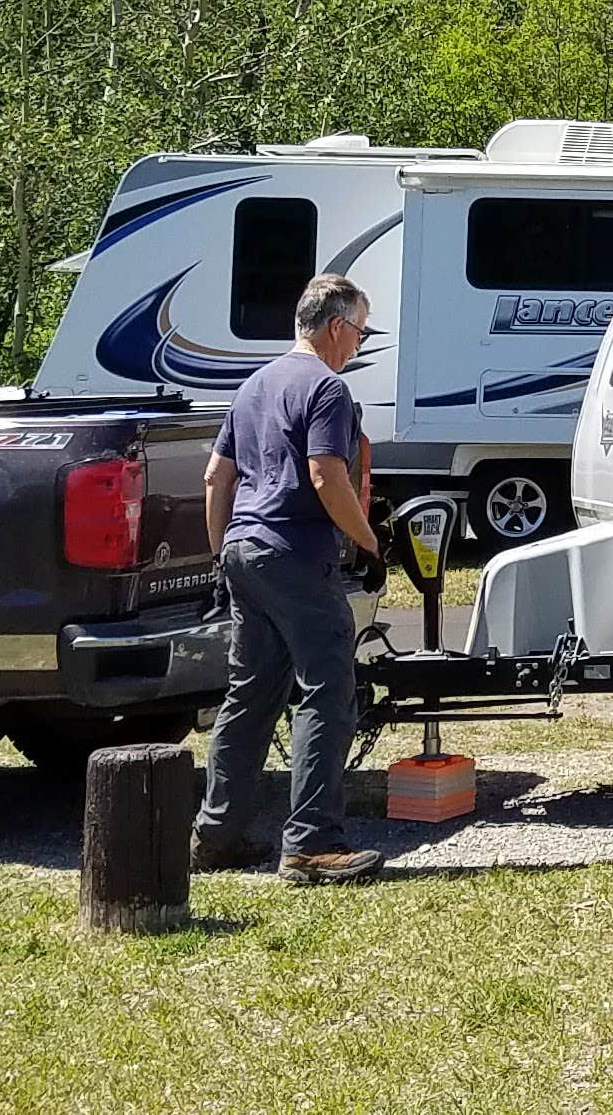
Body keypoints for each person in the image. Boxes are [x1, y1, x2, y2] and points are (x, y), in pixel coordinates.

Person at [193, 272, 389, 882]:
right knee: (327, 690)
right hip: (295, 554)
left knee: (249, 697)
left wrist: (221, 555)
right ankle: (310, 844)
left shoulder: (254, 385)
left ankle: (216, 836)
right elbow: (327, 475)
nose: (359, 344)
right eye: (360, 332)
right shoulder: (327, 389)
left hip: (242, 550)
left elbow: (215, 478)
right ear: (335, 327)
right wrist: (368, 543)